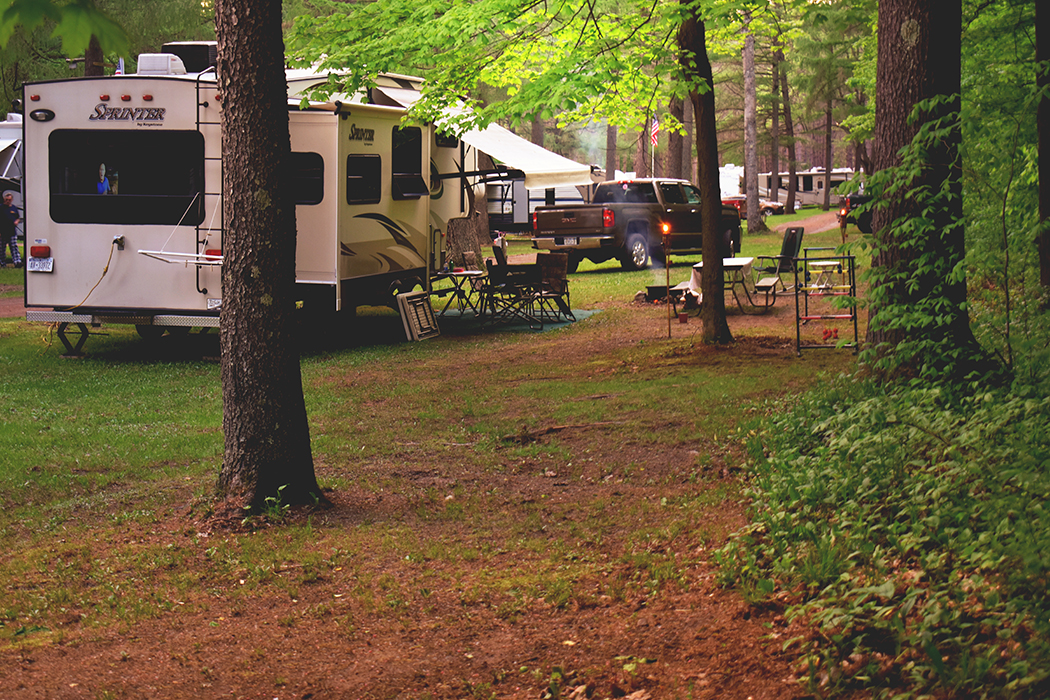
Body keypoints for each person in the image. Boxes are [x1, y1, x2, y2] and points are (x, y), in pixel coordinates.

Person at [1, 191, 21, 268]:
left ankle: (17, 262)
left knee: (14, 247)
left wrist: (17, 221)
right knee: (2, 249)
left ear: (12, 199)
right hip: (3, 232)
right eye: (6, 200)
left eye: (9, 200)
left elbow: (18, 217)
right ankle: (2, 263)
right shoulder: (1, 207)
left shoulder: (14, 208)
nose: (7, 201)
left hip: (12, 231)